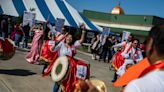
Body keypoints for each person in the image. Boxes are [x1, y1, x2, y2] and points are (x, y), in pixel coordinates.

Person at [124, 24, 164, 92]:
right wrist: (127, 55)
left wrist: (136, 60)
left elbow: (141, 59)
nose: (135, 44)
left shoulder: (137, 86)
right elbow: (123, 54)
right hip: (126, 65)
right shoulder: (128, 47)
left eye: (137, 43)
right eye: (134, 43)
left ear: (151, 44)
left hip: (133, 66)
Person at [50, 24, 86, 92]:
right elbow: (52, 50)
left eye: (71, 37)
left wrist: (83, 31)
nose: (69, 38)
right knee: (57, 82)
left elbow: (81, 40)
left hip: (69, 68)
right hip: (60, 66)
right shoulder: (61, 44)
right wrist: (56, 43)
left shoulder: (73, 45)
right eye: (68, 37)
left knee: (66, 83)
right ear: (65, 38)